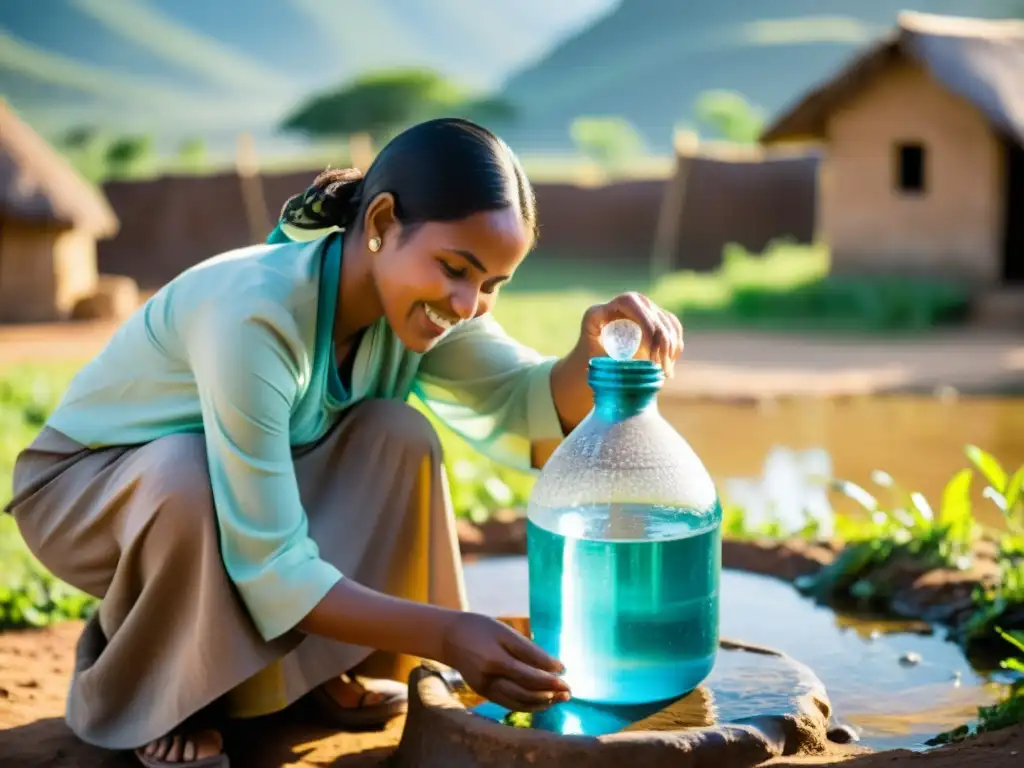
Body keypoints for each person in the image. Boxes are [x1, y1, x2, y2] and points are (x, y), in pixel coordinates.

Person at [5, 117, 684, 768]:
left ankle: (324, 666)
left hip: (217, 489)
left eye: (491, 285)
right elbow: (270, 561)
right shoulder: (258, 313)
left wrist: (587, 351)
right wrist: (448, 631)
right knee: (186, 475)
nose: (468, 302)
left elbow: (521, 402)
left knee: (397, 437)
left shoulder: (418, 307)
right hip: (86, 491)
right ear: (384, 223)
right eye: (456, 268)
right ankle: (157, 691)